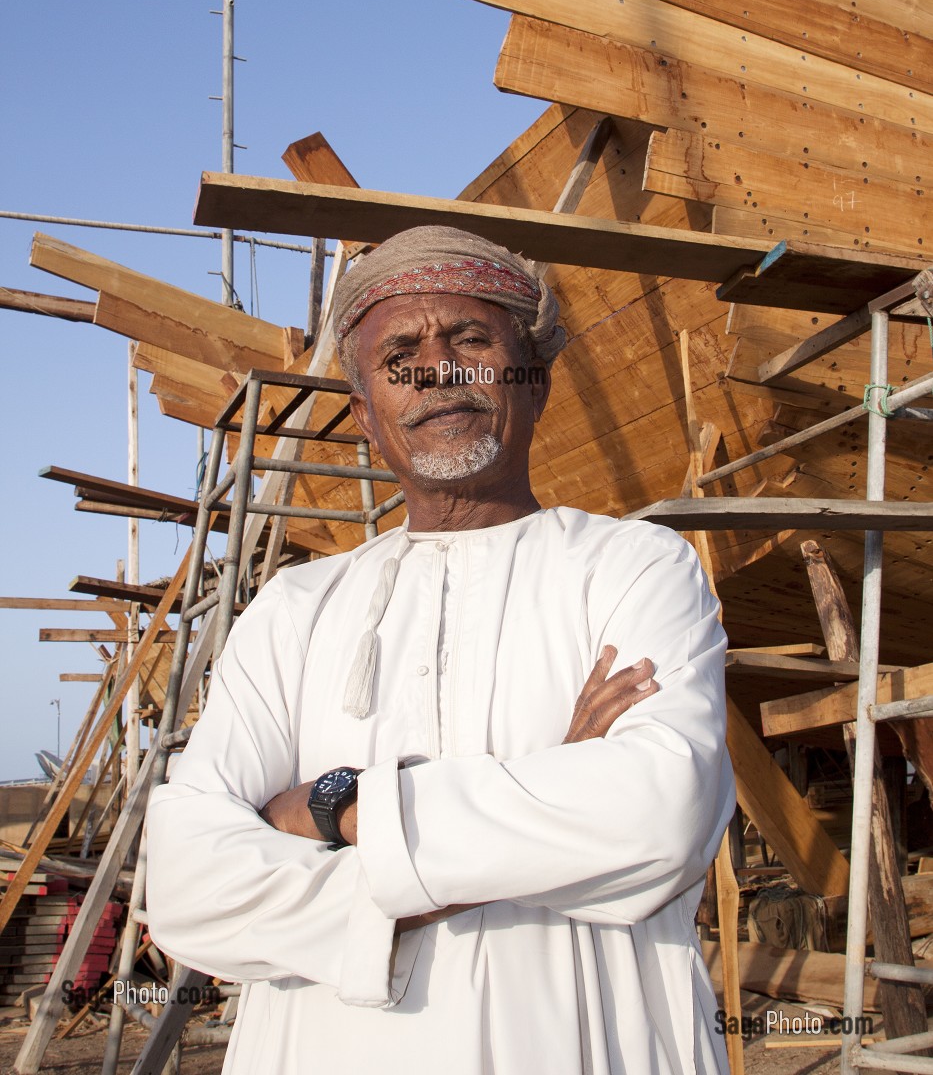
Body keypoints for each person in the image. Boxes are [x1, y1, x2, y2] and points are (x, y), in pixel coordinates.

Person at [147, 224, 735, 1074]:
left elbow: (659, 812)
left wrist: (332, 809)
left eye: (469, 338)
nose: (438, 371)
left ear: (531, 381)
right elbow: (189, 888)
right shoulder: (293, 609)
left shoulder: (630, 565)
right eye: (400, 355)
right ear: (364, 414)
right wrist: (551, 790)